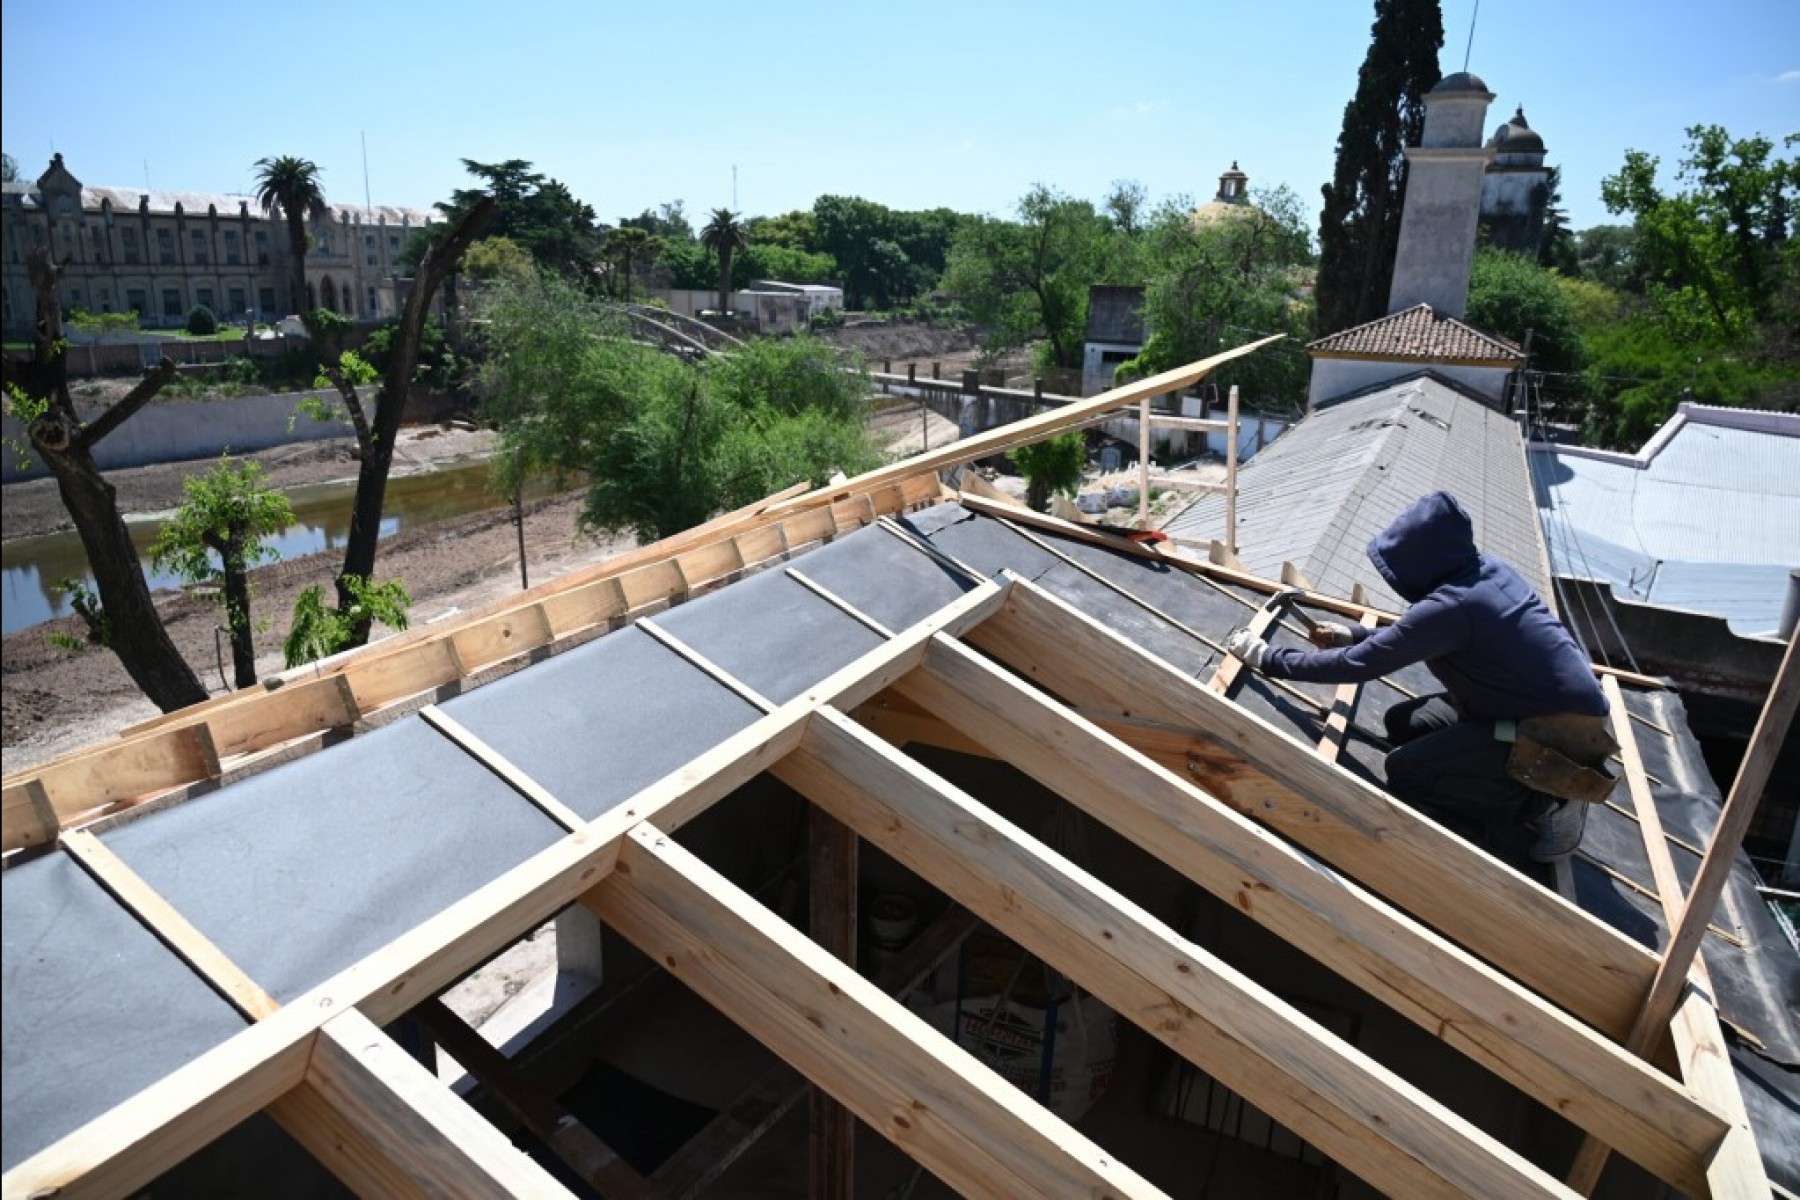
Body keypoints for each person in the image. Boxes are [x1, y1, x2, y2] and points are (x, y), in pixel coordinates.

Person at [1224, 490, 1616, 863]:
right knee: (1401, 724)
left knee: (1407, 773)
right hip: (1526, 711)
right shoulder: (1483, 572)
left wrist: (1268, 658)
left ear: (1420, 562)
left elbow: (1359, 665)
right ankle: (1515, 776)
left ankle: (1549, 800)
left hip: (1552, 735)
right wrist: (1353, 633)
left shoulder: (1453, 605)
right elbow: (1413, 636)